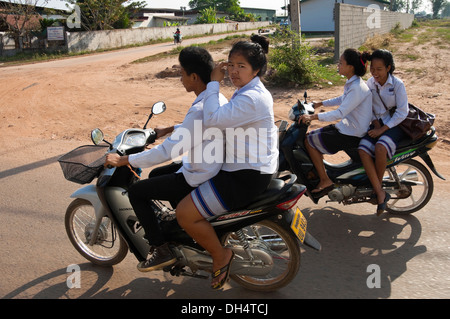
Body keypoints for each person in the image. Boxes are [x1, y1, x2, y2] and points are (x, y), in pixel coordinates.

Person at [104, 46, 228, 272]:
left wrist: (124, 161)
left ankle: (160, 248)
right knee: (157, 175)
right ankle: (182, 231)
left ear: (193, 76)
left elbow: (165, 152)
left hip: (198, 174)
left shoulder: (200, 107)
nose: (180, 79)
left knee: (137, 192)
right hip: (209, 165)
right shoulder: (214, 95)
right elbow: (197, 128)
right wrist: (170, 128)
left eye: (182, 74)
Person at [175, 35, 279, 289]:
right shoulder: (248, 91)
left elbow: (212, 119)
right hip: (248, 167)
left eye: (241, 66)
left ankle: (221, 255)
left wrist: (213, 84)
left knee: (184, 215)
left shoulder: (250, 98)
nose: (233, 71)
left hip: (244, 176)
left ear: (256, 69)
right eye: (230, 64)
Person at [299, 48, 372, 198]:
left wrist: (312, 117)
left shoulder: (357, 87)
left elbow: (339, 113)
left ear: (350, 67)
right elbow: (341, 99)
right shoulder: (353, 83)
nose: (338, 65)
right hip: (347, 128)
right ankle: (321, 171)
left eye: (340, 63)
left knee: (309, 141)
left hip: (351, 133)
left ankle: (325, 180)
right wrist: (319, 103)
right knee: (311, 137)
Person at [358, 49, 409, 216]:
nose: (375, 72)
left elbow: (403, 112)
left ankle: (377, 190)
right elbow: (368, 107)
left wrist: (382, 129)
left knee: (380, 148)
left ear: (388, 68)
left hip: (394, 124)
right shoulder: (369, 84)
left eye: (379, 69)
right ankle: (379, 190)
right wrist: (374, 123)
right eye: (372, 68)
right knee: (362, 149)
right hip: (376, 123)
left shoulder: (397, 85)